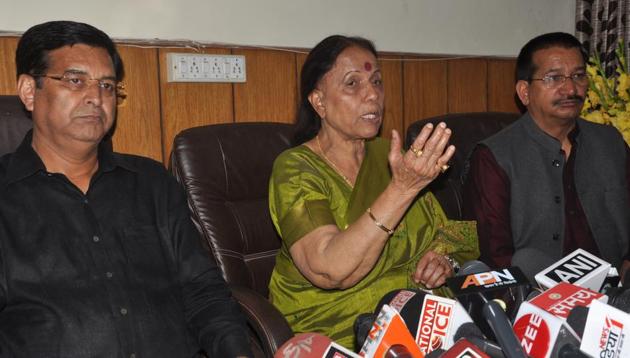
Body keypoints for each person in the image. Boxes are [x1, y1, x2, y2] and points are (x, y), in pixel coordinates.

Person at [0, 21, 252, 357]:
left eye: (107, 85)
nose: (96, 97)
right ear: (30, 91)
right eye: (76, 81)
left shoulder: (151, 182)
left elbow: (202, 291)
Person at [267, 35, 479, 348]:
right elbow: (329, 270)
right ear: (319, 102)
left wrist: (442, 260)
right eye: (352, 84)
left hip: (418, 316)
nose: (373, 95)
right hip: (336, 329)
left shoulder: (389, 155)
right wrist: (402, 188)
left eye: (377, 81)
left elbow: (444, 234)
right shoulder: (296, 168)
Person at [463, 32, 630, 281]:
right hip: (538, 300)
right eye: (554, 78)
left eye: (578, 76)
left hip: (617, 293)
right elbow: (494, 257)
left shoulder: (609, 141)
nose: (571, 88)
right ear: (524, 92)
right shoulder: (493, 157)